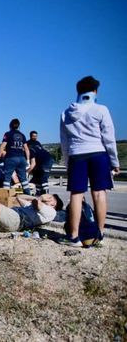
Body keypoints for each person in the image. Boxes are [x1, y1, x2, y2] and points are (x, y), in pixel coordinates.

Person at [59, 76, 120, 246]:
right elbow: (109, 138)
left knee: (76, 195)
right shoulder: (101, 109)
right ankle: (99, 233)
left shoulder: (65, 113)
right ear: (95, 91)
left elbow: (64, 141)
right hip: (98, 153)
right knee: (99, 193)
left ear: (78, 91)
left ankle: (73, 236)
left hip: (76, 155)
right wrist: (114, 161)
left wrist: (66, 161)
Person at [0, 119, 31, 195]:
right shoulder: (22, 135)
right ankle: (28, 196)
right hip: (22, 158)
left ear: (10, 126)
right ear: (19, 126)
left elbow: (3, 146)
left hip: (11, 158)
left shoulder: (8, 134)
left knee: (7, 178)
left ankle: (5, 197)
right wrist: (28, 160)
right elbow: (26, 149)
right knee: (23, 179)